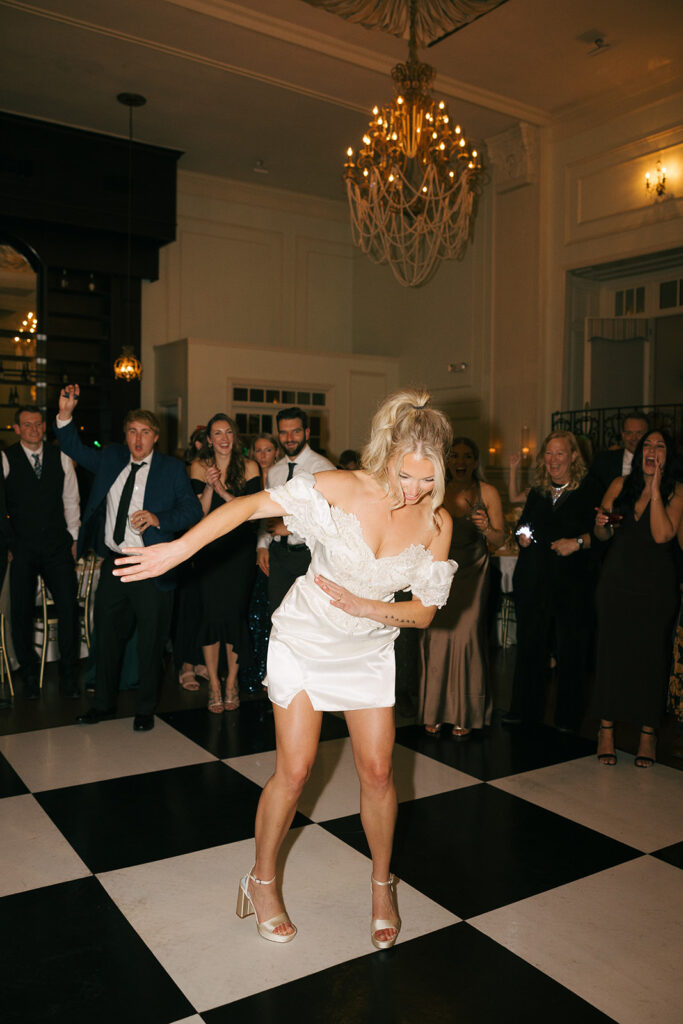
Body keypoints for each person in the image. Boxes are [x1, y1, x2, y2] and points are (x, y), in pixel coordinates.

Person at [114, 389, 457, 949]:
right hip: (305, 635)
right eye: (405, 475)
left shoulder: (436, 521)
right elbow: (249, 506)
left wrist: (367, 608)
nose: (412, 491)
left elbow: (422, 613)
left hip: (369, 644)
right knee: (294, 772)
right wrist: (177, 549)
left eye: (426, 480)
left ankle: (381, 884)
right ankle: (262, 879)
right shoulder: (340, 487)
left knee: (378, 774)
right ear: (387, 455)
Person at [55, 385, 202, 731]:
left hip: (151, 564)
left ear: (155, 438)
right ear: (126, 435)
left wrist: (158, 518)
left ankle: (145, 709)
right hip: (116, 563)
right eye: (133, 432)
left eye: (145, 432)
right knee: (105, 637)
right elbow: (71, 445)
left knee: (151, 642)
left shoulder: (171, 469)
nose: (138, 439)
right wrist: (64, 415)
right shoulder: (110, 458)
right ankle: (103, 704)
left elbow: (192, 511)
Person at [594, 430, 682, 767]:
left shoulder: (677, 493)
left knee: (651, 657)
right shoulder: (619, 485)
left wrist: (656, 489)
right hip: (616, 582)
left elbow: (662, 535)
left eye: (660, 446)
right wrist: (601, 522)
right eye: (647, 445)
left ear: (668, 455)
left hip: (655, 586)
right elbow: (603, 533)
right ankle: (606, 731)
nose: (652, 450)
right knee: (610, 653)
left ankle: (648, 734)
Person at [503, 430, 601, 732]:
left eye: (560, 453)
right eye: (549, 453)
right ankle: (524, 710)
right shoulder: (539, 491)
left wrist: (577, 542)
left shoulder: (590, 490)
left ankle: (568, 718)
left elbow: (602, 534)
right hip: (535, 580)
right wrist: (524, 535)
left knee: (571, 650)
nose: (554, 459)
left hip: (573, 583)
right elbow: (526, 524)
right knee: (531, 646)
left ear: (574, 456)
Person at [419, 437, 504, 738]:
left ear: (475, 461)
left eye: (467, 456)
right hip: (440, 573)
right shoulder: (435, 491)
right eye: (454, 456)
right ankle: (436, 711)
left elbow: (499, 541)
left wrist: (486, 528)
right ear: (446, 461)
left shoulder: (488, 492)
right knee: (437, 638)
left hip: (474, 573)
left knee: (467, 639)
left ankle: (465, 712)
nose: (461, 461)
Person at [4, 406, 81, 699]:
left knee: (68, 607)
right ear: (17, 429)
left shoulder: (60, 456)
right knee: (21, 610)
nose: (34, 430)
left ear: (44, 427)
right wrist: (8, 543)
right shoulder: (5, 459)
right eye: (27, 425)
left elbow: (71, 500)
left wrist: (73, 538)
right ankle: (27, 669)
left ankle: (69, 674)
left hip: (56, 546)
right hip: (21, 547)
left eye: (38, 424)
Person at [190, 414, 260, 712]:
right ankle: (214, 686)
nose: (223, 438)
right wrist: (208, 486)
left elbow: (252, 510)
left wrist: (222, 491)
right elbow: (198, 513)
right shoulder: (198, 466)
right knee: (210, 617)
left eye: (228, 432)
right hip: (209, 552)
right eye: (217, 433)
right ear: (209, 439)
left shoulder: (250, 467)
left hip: (238, 552)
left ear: (235, 436)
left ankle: (231, 681)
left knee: (234, 617)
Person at [256, 407, 335, 615]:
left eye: (296, 431)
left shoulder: (323, 468)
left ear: (307, 433)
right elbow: (267, 514)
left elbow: (332, 519)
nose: (289, 438)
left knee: (309, 621)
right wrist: (262, 545)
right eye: (283, 432)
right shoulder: (275, 471)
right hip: (278, 557)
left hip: (309, 557)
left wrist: (291, 528)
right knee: (279, 617)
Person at [242, 433, 280, 694]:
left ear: (275, 452)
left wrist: (264, 545)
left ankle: (271, 672)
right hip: (253, 548)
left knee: (273, 610)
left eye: (268, 450)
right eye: (258, 450)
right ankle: (255, 669)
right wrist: (259, 546)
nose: (263, 455)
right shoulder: (252, 479)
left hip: (278, 547)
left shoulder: (281, 476)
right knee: (255, 611)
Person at [174, 425, 209, 691]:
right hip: (190, 545)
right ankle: (186, 664)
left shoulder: (224, 467)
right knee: (189, 607)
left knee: (207, 608)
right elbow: (193, 511)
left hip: (213, 546)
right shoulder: (187, 469)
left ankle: (199, 661)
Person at [589, 412, 649, 494]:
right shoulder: (603, 461)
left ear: (648, 435)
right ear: (623, 435)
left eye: (639, 433)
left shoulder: (656, 462)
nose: (634, 438)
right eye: (629, 433)